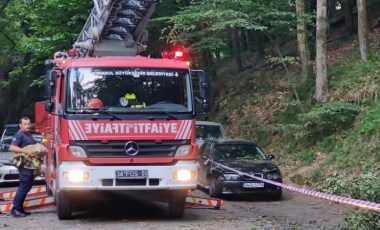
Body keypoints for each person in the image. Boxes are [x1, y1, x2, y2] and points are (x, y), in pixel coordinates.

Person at [9, 117, 38, 217]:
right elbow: (12, 147)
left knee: (27, 186)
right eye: (25, 124)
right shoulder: (19, 134)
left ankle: (20, 209)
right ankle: (15, 209)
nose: (28, 126)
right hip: (24, 165)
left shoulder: (28, 134)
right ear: (20, 125)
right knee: (23, 186)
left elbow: (34, 143)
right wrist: (26, 151)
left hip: (29, 165)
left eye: (29, 124)